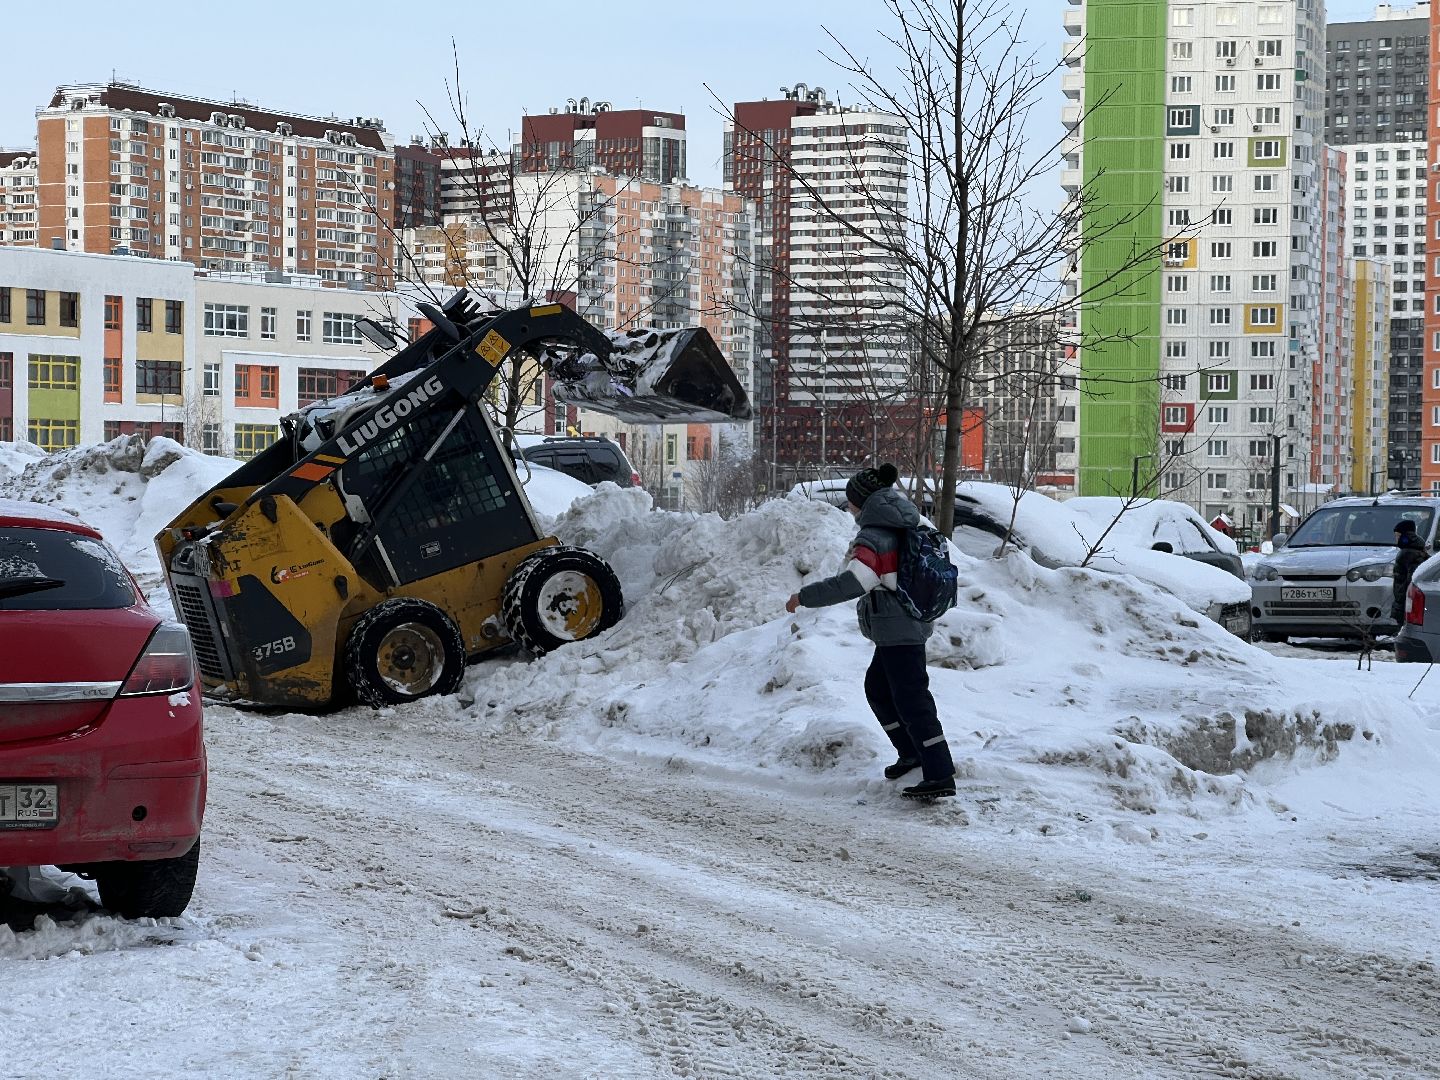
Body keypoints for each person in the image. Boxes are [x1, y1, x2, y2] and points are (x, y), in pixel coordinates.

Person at [785, 463, 956, 800]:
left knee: (912, 700)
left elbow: (853, 582)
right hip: (905, 622)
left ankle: (939, 773)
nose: (848, 508)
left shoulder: (875, 535)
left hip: (899, 629)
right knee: (878, 689)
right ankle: (911, 754)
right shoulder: (909, 522)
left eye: (851, 502)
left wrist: (803, 596)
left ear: (861, 502)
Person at [1392, 519, 1429, 625]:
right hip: (1405, 601)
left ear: (1405, 537)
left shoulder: (1407, 554)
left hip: (1405, 602)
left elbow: (1410, 581)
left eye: (1398, 536)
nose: (1396, 539)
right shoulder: (1417, 551)